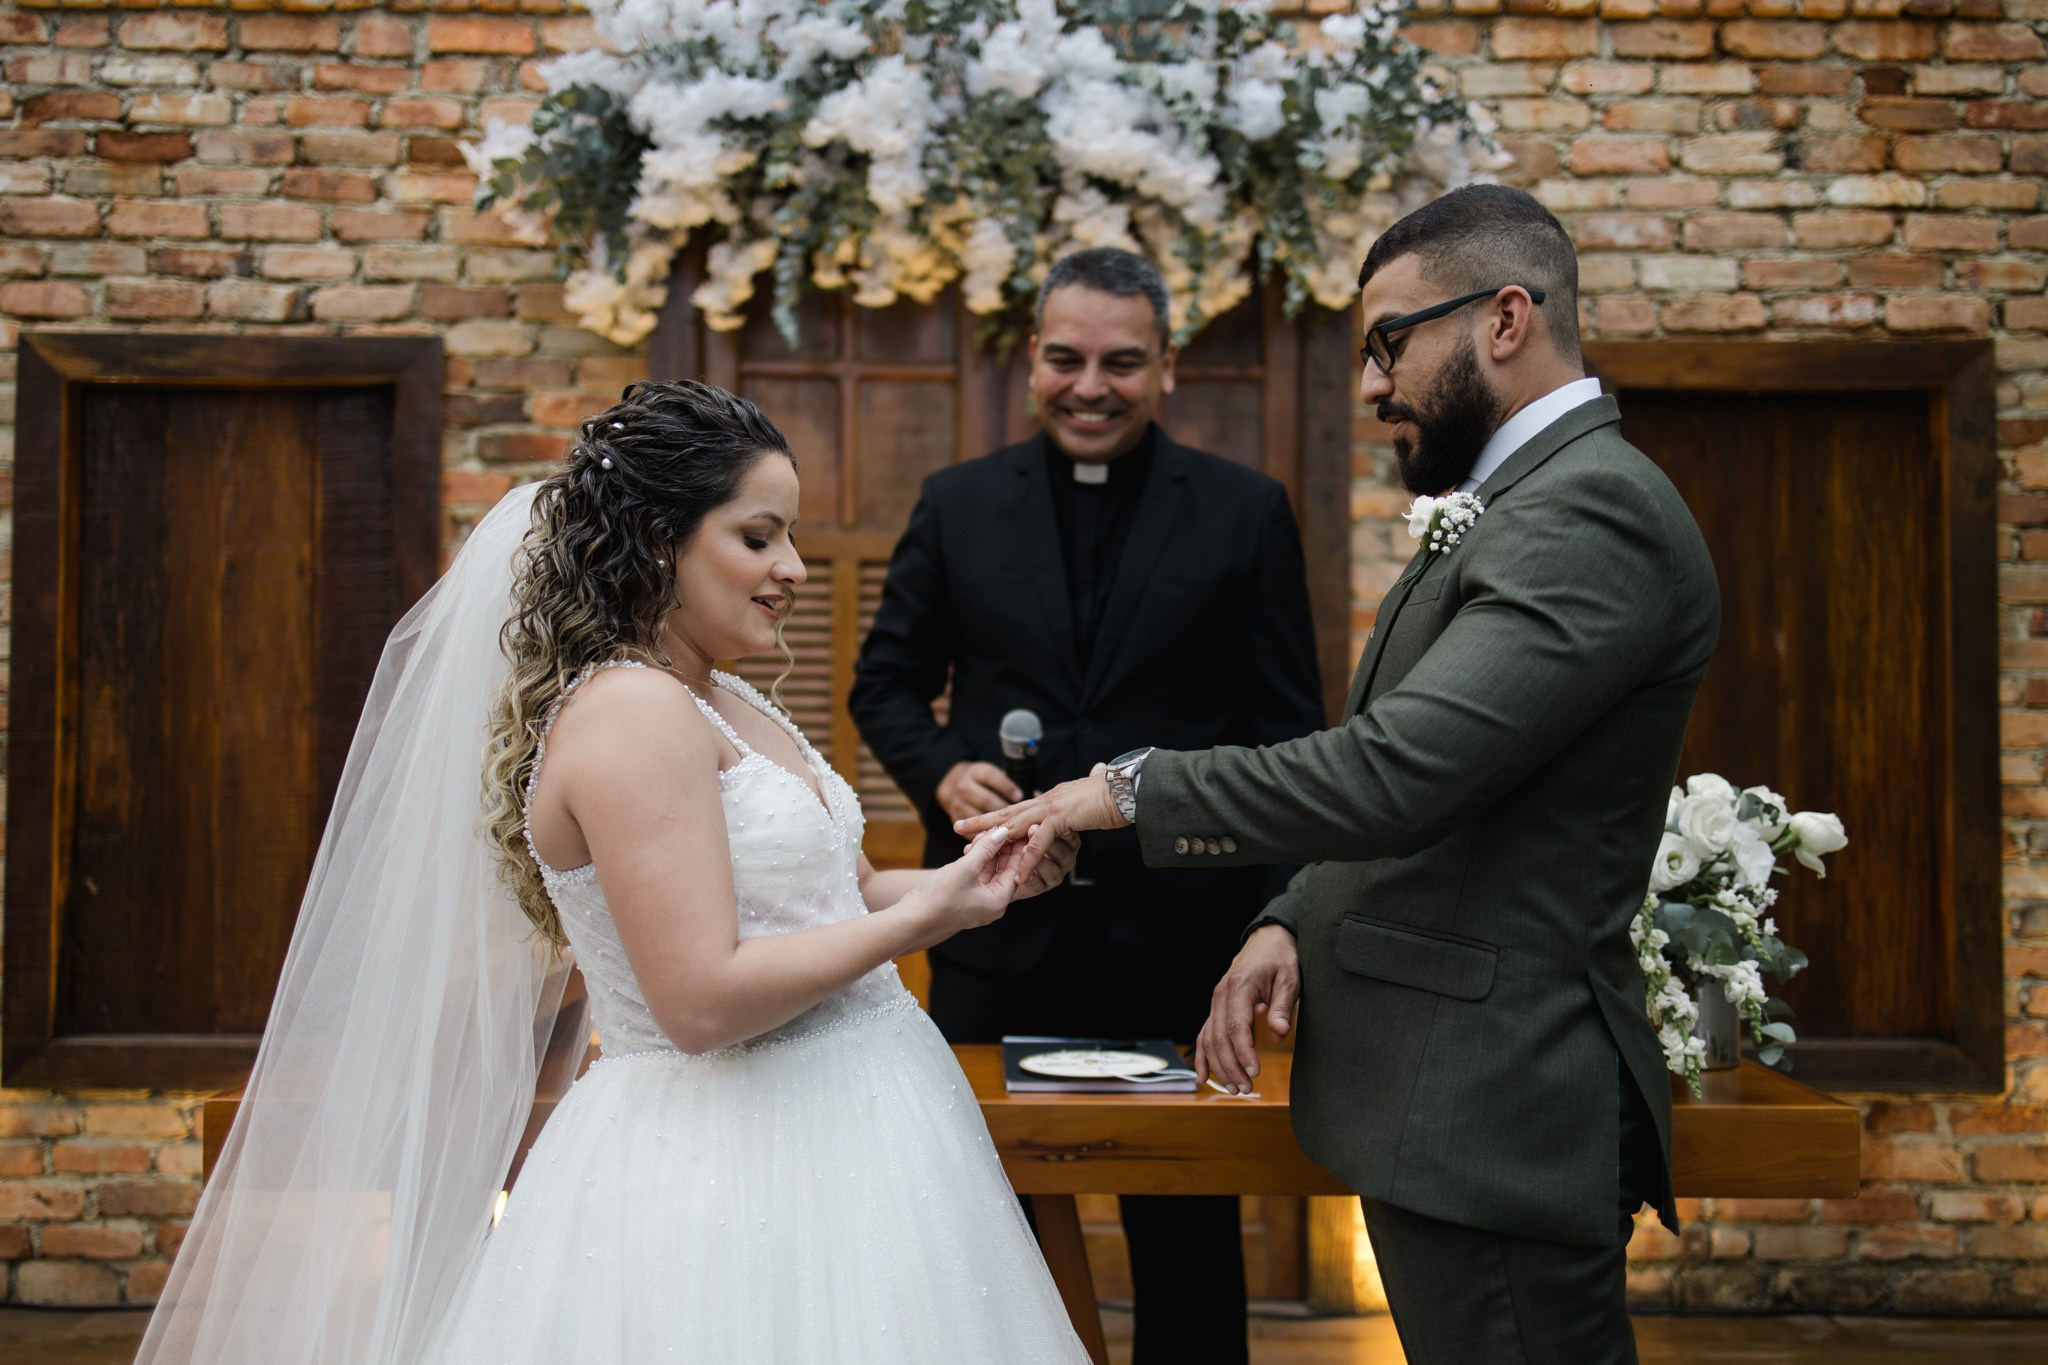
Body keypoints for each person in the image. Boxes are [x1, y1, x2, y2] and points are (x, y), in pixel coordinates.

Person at [137, 381, 1091, 1364]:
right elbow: (699, 1002)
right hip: (732, 1159)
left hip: (869, 1121)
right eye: (757, 538)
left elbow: (838, 898)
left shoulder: (724, 699)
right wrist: (925, 916)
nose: (794, 568)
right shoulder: (631, 714)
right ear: (656, 537)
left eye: (790, 538)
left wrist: (981, 882)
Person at [961, 186, 1721, 1365]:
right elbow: (1449, 790)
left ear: (1503, 319)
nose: (1372, 387)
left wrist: (1118, 790)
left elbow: (1395, 772)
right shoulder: (1520, 503)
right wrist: (1291, 916)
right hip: (1442, 1100)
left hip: (1496, 1104)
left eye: (1389, 343)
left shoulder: (1588, 513)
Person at [850, 247, 1325, 1363]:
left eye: (1120, 362)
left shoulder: (1243, 511)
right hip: (996, 935)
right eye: (1064, 359)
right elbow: (883, 680)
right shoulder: (955, 504)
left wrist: (1273, 916)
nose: (1089, 385)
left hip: (1179, 949)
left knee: (1188, 1244)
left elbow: (1285, 737)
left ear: (1166, 367)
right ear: (1030, 361)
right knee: (985, 1234)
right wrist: (941, 769)